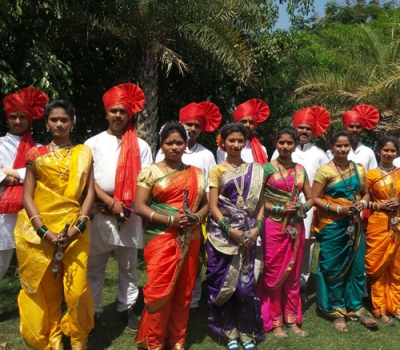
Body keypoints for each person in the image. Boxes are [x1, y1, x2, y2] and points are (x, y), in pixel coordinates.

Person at [14, 100, 95, 350]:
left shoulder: (84, 153)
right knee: (49, 293)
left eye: (64, 119)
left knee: (77, 291)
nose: (59, 124)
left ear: (73, 122)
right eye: (53, 119)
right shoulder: (35, 155)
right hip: (42, 232)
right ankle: (53, 342)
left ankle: (79, 339)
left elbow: (89, 194)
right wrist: (43, 231)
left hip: (74, 229)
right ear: (47, 123)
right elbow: (27, 195)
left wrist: (77, 227)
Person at [85, 83, 153, 331]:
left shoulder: (142, 146)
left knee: (128, 267)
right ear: (106, 113)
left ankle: (127, 309)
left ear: (129, 115)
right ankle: (94, 311)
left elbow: (145, 181)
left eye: (123, 111)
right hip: (98, 210)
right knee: (95, 267)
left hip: (130, 212)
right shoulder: (92, 143)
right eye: (113, 111)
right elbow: (86, 180)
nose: (118, 115)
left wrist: (123, 205)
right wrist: (108, 201)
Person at [135, 121, 208, 350]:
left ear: (186, 145)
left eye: (179, 143)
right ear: (161, 144)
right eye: (169, 143)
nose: (174, 147)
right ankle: (155, 342)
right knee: (158, 290)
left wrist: (196, 218)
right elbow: (139, 206)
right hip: (160, 238)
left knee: (184, 290)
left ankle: (177, 339)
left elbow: (205, 206)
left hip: (191, 237)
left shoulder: (195, 173)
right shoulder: (151, 172)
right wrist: (170, 220)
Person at [156, 101, 221, 309]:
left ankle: (191, 303)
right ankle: (167, 297)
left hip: (197, 216)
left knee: (195, 261)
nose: (192, 129)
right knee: (167, 259)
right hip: (168, 216)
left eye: (196, 125)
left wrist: (201, 215)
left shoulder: (206, 155)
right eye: (188, 124)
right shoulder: (165, 150)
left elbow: (210, 189)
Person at [312, 129, 377, 332]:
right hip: (333, 225)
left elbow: (365, 193)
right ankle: (335, 309)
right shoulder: (325, 171)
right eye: (338, 145)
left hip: (354, 224)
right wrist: (338, 208)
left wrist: (363, 204)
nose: (342, 149)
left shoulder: (358, 168)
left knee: (357, 267)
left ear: (351, 146)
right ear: (331, 147)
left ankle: (356, 308)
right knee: (333, 266)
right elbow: (315, 198)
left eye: (346, 145)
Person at [207, 122, 265, 350]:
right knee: (225, 288)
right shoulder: (217, 170)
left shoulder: (256, 169)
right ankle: (229, 331)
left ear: (246, 142)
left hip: (248, 238)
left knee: (244, 289)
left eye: (240, 140)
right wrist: (230, 230)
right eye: (231, 140)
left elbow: (260, 202)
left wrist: (257, 229)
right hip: (222, 239)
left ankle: (246, 332)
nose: (236, 144)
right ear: (223, 142)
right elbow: (213, 206)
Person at [260, 126, 313, 338]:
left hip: (295, 227)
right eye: (281, 142)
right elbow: (258, 201)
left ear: (295, 145)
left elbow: (310, 198)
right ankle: (276, 321)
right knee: (274, 273)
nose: (285, 146)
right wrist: (280, 208)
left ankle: (292, 319)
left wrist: (301, 209)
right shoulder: (266, 169)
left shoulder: (301, 169)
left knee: (293, 274)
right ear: (275, 143)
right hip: (273, 226)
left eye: (289, 143)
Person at [271, 106, 330, 296]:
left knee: (307, 245)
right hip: (282, 207)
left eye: (308, 128)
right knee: (283, 242)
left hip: (309, 207)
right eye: (300, 127)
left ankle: (301, 284)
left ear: (313, 131)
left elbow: (325, 182)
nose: (304, 131)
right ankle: (280, 279)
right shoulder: (281, 149)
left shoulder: (320, 154)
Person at [216, 99, 270, 284]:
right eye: (244, 121)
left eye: (251, 122)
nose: (247, 125)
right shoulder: (222, 150)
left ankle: (250, 288)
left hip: (256, 208)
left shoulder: (261, 149)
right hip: (230, 209)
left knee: (255, 250)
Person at [0, 87, 48, 286]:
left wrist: (9, 173)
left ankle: (30, 312)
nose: (18, 121)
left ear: (30, 119)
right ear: (7, 119)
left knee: (30, 267)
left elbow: (41, 176)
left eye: (22, 117)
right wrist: (25, 175)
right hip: (2, 217)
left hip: (29, 214)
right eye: (13, 117)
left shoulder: (38, 148)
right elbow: (32, 174)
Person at [365, 136, 400, 325]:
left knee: (396, 266)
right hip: (377, 223)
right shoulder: (370, 175)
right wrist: (380, 205)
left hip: (398, 223)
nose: (389, 153)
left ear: (397, 153)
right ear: (379, 150)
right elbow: (363, 200)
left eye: (392, 150)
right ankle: (379, 306)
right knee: (378, 265)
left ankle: (396, 305)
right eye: (385, 150)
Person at [326, 104, 379, 171]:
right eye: (351, 126)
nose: (355, 130)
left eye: (358, 127)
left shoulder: (368, 152)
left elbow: (373, 176)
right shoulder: (333, 151)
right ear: (344, 127)